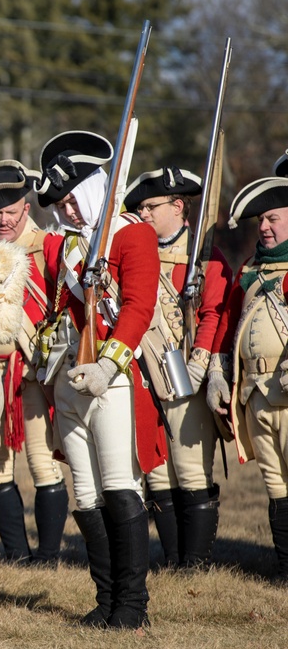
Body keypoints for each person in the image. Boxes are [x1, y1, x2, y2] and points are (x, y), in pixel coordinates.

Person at [35, 131, 165, 629]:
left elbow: (137, 306)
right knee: (85, 493)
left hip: (113, 377)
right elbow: (57, 313)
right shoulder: (63, 248)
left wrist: (107, 365)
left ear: (92, 189)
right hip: (69, 374)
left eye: (72, 198)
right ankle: (106, 597)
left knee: (118, 486)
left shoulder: (130, 235)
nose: (67, 210)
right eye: (60, 203)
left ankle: (132, 606)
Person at [0, 160, 71, 566]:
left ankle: (49, 556)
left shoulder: (51, 248)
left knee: (44, 464)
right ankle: (16, 555)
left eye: (10, 211)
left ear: (27, 208)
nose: (2, 220)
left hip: (34, 372)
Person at [123, 168, 231, 568]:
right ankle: (172, 558)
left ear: (178, 206)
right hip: (144, 373)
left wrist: (200, 365)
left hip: (187, 372)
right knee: (158, 473)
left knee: (189, 470)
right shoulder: (138, 252)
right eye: (140, 207)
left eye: (151, 207)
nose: (144, 214)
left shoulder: (204, 256)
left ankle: (195, 562)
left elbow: (214, 313)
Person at [207, 175, 288, 583]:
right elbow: (226, 325)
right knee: (274, 484)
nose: (266, 228)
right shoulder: (251, 270)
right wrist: (219, 375)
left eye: (273, 218)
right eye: (261, 222)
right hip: (256, 391)